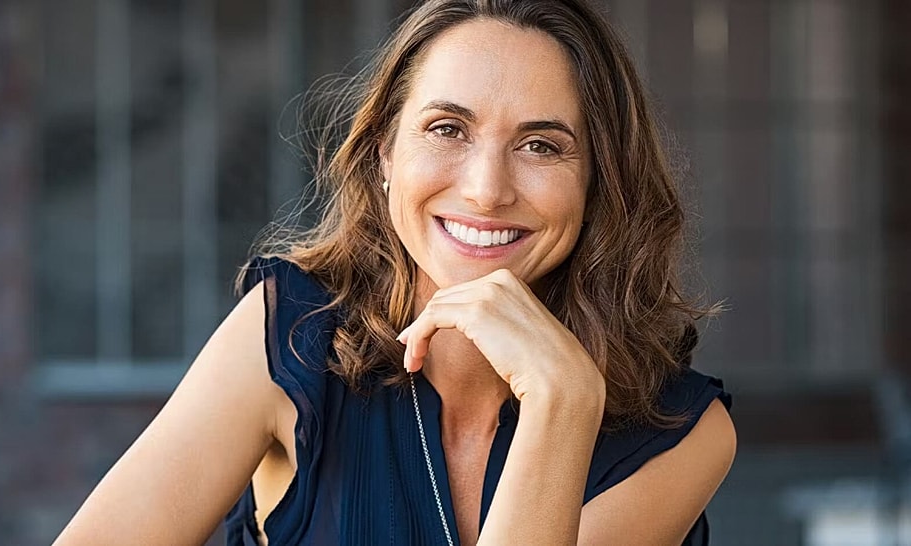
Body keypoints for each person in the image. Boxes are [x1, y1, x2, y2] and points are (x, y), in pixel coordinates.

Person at [55, 0, 736, 544]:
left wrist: (563, 404)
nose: (486, 190)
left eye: (541, 145)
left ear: (598, 183)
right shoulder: (288, 333)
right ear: (385, 155)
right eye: (447, 129)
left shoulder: (683, 429)